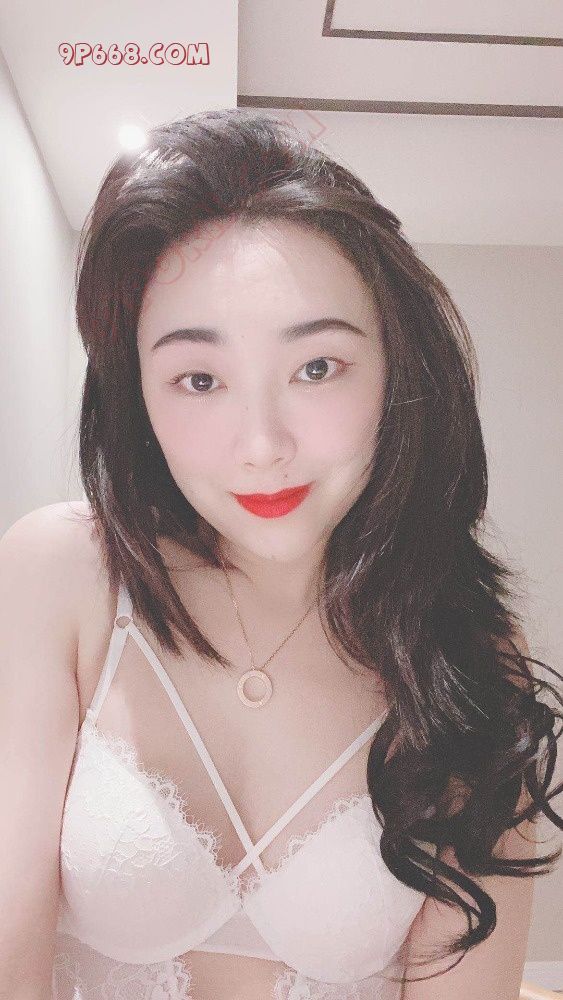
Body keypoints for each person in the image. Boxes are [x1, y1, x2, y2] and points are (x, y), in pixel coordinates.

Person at [1, 109, 561, 1000]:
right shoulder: (64, 575)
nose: (261, 445)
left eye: (316, 368)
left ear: (397, 370)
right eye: (199, 379)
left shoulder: (463, 652)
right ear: (137, 396)